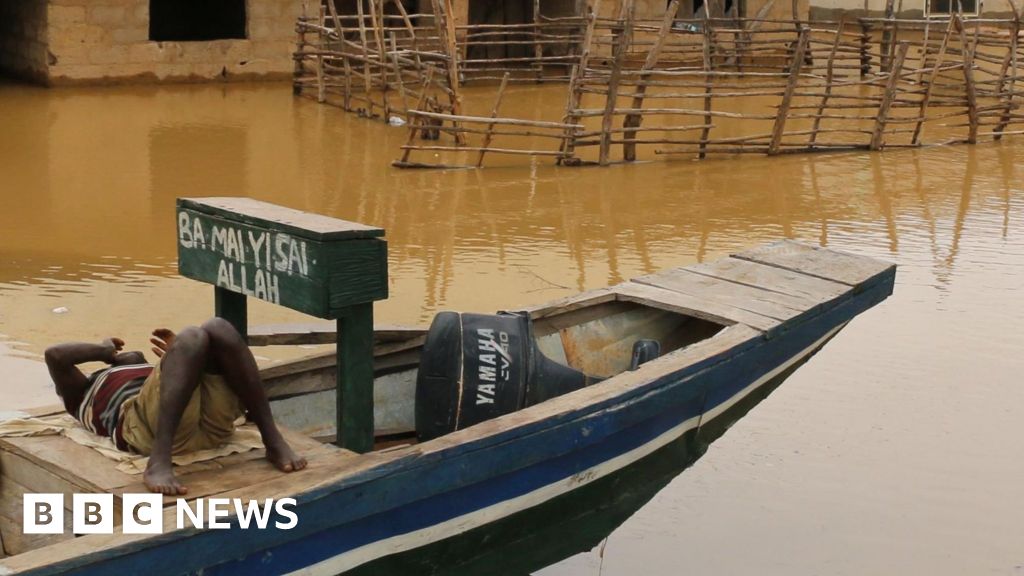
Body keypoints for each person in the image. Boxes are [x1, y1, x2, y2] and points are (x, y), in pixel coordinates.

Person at [44, 318, 307, 495]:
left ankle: (272, 440)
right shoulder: (82, 392)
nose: (132, 357)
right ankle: (160, 460)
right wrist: (103, 351)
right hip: (145, 433)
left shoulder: (152, 378)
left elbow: (170, 386)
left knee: (218, 327)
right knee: (193, 336)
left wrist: (186, 356)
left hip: (212, 430)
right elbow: (55, 355)